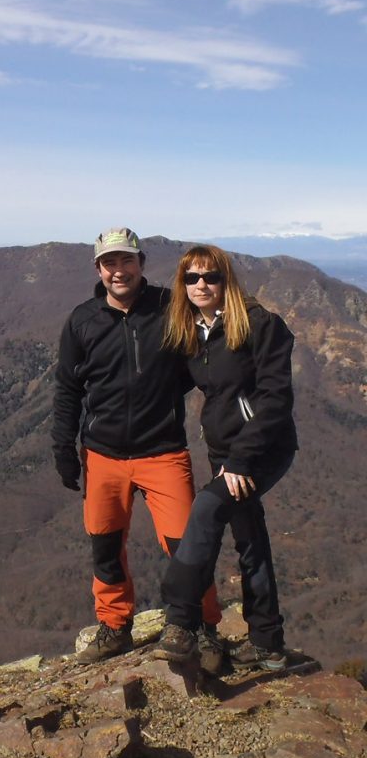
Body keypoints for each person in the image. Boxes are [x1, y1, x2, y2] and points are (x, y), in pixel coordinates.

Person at [52, 227, 222, 666]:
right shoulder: (82, 321)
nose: (119, 270)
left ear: (141, 263)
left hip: (162, 451)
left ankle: (202, 628)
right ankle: (114, 627)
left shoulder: (171, 308)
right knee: (105, 547)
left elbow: (200, 360)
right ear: (99, 269)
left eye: (126, 260)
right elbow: (68, 390)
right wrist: (63, 449)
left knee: (187, 546)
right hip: (102, 456)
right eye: (110, 263)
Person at [156, 244, 297, 671]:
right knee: (250, 536)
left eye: (210, 277)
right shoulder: (192, 332)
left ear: (226, 280)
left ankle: (180, 621)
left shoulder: (258, 324)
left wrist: (240, 460)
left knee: (208, 507)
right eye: (191, 278)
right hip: (225, 453)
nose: (201, 285)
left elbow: (276, 399)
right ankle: (268, 641)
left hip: (262, 450)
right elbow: (178, 385)